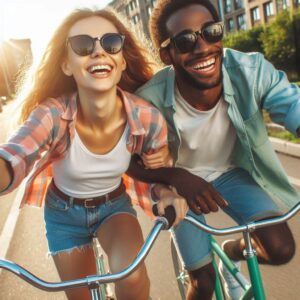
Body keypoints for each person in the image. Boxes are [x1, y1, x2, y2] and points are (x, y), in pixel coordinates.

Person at [0, 8, 188, 300]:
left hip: (113, 208)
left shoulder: (147, 118)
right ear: (66, 64)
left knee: (133, 279)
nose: (99, 52)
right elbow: (15, 155)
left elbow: (158, 174)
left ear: (122, 60)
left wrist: (165, 192)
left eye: (110, 43)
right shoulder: (52, 114)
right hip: (63, 214)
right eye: (83, 45)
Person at [127, 0, 300, 299]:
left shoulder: (251, 71)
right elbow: (128, 162)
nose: (203, 47)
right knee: (203, 283)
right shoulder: (149, 100)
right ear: (166, 54)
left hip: (231, 174)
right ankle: (206, 273)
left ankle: (231, 254)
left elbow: (292, 105)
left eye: (211, 31)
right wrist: (177, 177)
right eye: (185, 40)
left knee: (281, 248)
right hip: (179, 188)